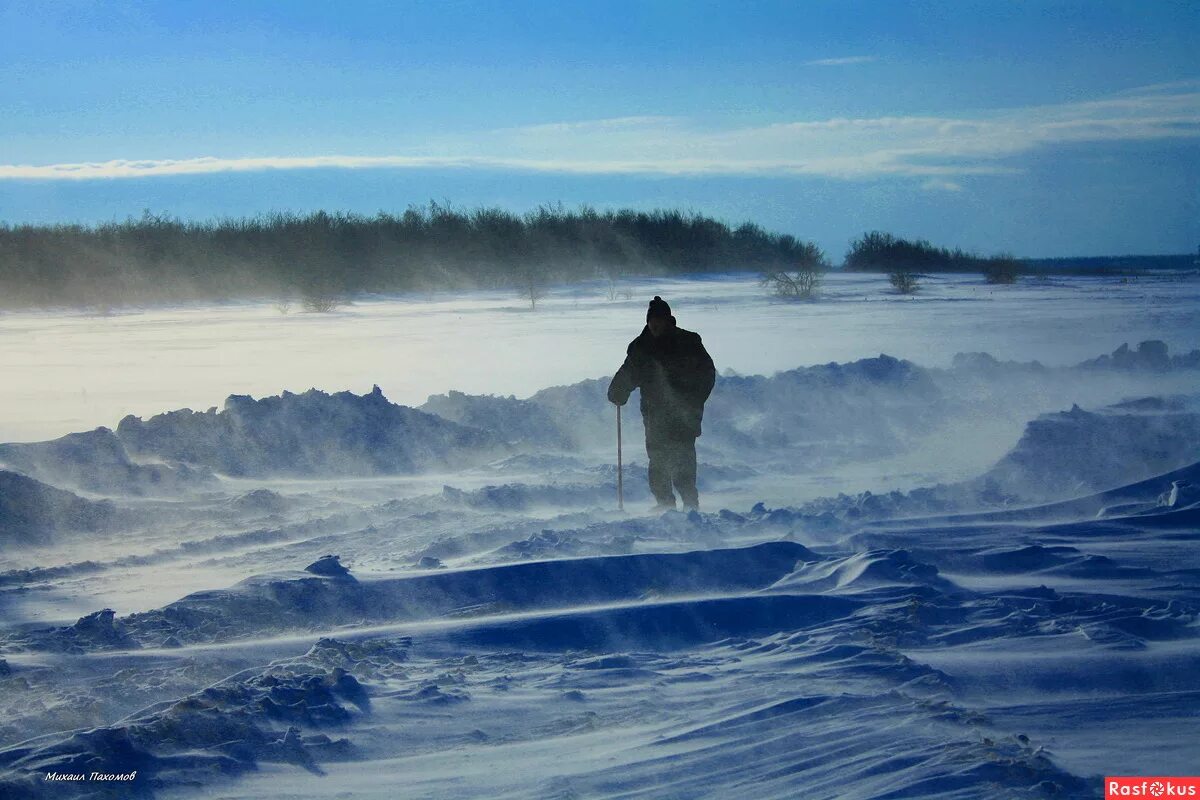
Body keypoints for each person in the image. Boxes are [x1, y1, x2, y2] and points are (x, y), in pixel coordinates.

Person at [607, 296, 716, 511]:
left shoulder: (688, 342)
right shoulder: (641, 347)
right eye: (651, 320)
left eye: (659, 320)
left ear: (669, 321)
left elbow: (707, 374)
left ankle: (690, 504)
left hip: (684, 415)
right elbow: (629, 372)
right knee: (658, 462)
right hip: (655, 415)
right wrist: (618, 390)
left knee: (683, 460)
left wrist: (693, 399)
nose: (655, 324)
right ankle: (665, 504)